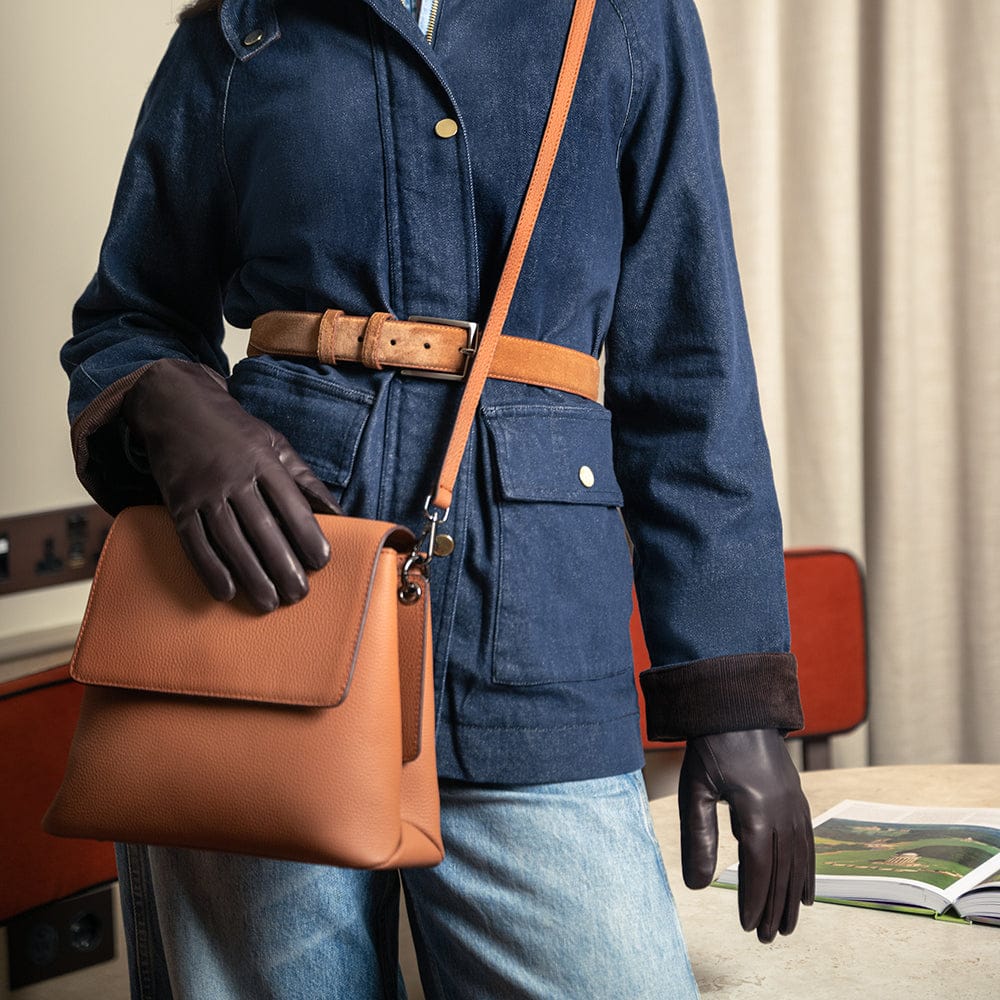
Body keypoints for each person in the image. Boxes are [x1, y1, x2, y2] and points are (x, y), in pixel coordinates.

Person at [60, 0, 814, 996]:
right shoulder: (243, 24)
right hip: (262, 605)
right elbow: (129, 316)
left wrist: (730, 696)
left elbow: (690, 360)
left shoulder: (627, 16)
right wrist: (165, 402)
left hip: (533, 636)